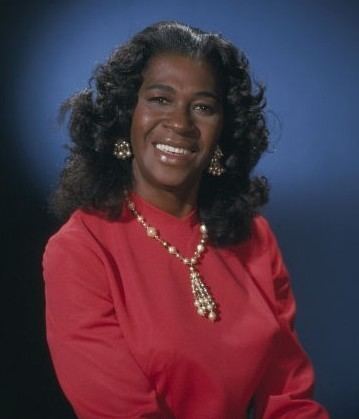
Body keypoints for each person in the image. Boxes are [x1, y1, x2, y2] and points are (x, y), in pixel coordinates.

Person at [43, 21, 329, 418]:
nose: (180, 123)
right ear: (128, 113)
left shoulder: (255, 239)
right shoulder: (80, 250)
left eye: (203, 107)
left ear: (223, 130)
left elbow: (290, 400)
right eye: (160, 99)